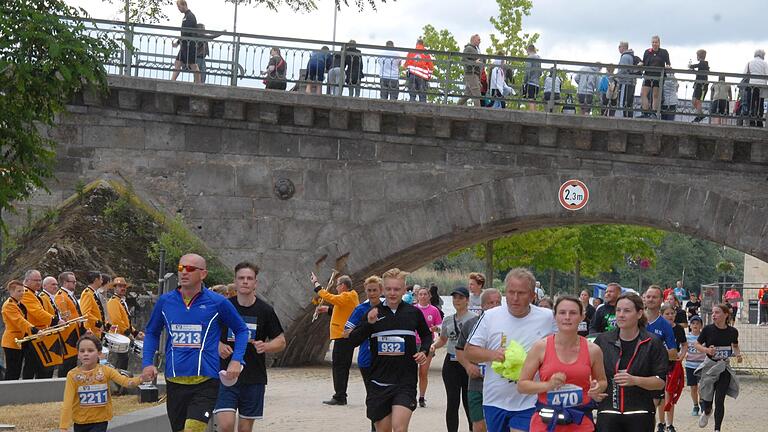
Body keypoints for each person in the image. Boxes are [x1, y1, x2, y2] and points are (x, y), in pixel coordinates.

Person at [141, 253, 249, 432]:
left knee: (192, 429)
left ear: (203, 274)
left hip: (206, 381)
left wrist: (237, 360)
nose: (184, 272)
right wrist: (147, 363)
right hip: (175, 381)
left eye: (190, 269)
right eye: (181, 268)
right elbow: (152, 332)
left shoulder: (217, 302)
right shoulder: (165, 302)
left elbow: (242, 330)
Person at [465, 268, 558, 432]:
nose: (515, 298)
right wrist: (493, 355)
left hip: (531, 401)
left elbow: (564, 348)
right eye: (511, 292)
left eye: (521, 293)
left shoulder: (547, 317)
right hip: (495, 399)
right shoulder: (490, 316)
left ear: (532, 296)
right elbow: (469, 351)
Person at [347, 268, 433, 432]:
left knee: (400, 429)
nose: (392, 293)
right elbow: (353, 340)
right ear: (382, 290)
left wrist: (423, 351)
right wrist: (368, 324)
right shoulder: (373, 313)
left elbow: (427, 336)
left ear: (404, 290)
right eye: (389, 289)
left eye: (397, 289)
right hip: (379, 382)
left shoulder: (413, 313)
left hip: (405, 382)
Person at [518, 295, 609, 432]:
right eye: (562, 313)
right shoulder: (540, 347)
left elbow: (602, 381)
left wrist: (597, 388)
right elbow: (522, 385)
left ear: (582, 316)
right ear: (555, 316)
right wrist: (548, 385)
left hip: (580, 420)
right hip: (546, 422)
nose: (567, 317)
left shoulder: (593, 350)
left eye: (573, 313)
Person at [214, 262, 285, 432]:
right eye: (241, 278)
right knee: (226, 425)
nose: (245, 281)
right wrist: (218, 345)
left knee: (245, 429)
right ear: (235, 281)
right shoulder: (223, 307)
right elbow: (207, 333)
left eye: (249, 278)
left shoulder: (265, 310)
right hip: (225, 374)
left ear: (255, 283)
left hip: (253, 376)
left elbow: (281, 341)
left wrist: (267, 346)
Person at [594, 293, 668, 432]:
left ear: (639, 313)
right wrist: (594, 388)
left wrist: (635, 380)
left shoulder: (652, 343)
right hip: (608, 411)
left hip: (640, 412)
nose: (621, 315)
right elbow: (593, 375)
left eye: (627, 311)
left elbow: (660, 382)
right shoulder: (603, 341)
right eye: (618, 310)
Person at [59, 335, 144, 432]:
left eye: (90, 351)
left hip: (100, 421)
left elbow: (126, 382)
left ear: (99, 353)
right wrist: (63, 426)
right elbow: (67, 402)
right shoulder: (72, 375)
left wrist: (142, 378)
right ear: (78, 354)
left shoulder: (107, 371)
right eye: (82, 351)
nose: (85, 354)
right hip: (80, 422)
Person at [431, 287, 477, 432]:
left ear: (467, 300)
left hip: (467, 363)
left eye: (461, 297)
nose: (457, 300)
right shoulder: (448, 319)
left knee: (468, 402)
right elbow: (443, 340)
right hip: (451, 363)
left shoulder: (474, 319)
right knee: (452, 402)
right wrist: (433, 346)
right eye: (455, 297)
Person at [456, 288, 502, 432]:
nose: (495, 306)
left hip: (500, 385)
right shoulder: (471, 324)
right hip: (476, 384)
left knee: (497, 425)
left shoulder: (508, 325)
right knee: (479, 424)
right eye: (490, 303)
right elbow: (459, 349)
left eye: (498, 302)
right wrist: (468, 366)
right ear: (482, 306)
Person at [311, 273, 359, 405]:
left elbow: (330, 298)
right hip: (344, 337)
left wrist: (317, 286)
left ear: (343, 286)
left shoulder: (347, 295)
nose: (336, 288)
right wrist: (327, 310)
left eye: (337, 285)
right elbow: (343, 311)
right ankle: (340, 394)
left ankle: (339, 396)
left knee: (339, 367)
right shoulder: (350, 296)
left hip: (342, 337)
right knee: (341, 367)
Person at [344, 276, 384, 432]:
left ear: (381, 290)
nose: (372, 293)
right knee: (373, 395)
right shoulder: (360, 309)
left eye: (375, 290)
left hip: (385, 359)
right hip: (367, 360)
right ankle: (374, 427)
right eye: (369, 290)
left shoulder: (387, 308)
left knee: (385, 395)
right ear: (365, 291)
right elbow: (346, 332)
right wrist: (363, 329)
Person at [694, 304, 742, 431]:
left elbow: (735, 345)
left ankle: (717, 429)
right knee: (707, 397)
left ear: (726, 314)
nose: (713, 315)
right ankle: (707, 411)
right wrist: (706, 350)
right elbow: (697, 344)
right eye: (713, 313)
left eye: (717, 312)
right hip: (710, 367)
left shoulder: (732, 331)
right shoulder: (708, 330)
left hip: (723, 367)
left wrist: (738, 355)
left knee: (720, 400)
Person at [643, 286, 679, 432]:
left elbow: (673, 353)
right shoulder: (636, 320)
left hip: (655, 373)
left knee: (650, 410)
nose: (650, 299)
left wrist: (655, 352)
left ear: (661, 301)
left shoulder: (665, 325)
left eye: (654, 297)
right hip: (635, 371)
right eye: (648, 296)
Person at [20, 269, 58, 379]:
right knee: (31, 366)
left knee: (40, 366)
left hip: (40, 333)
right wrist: (54, 320)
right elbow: (37, 312)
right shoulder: (26, 293)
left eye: (40, 280)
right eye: (36, 280)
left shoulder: (34, 293)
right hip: (33, 334)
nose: (38, 283)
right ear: (27, 280)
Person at [413, 286, 442, 408]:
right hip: (413, 342)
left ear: (429, 296)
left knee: (423, 372)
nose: (423, 296)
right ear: (417, 296)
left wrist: (436, 328)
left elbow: (440, 325)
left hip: (427, 343)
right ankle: (410, 395)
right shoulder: (412, 309)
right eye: (421, 294)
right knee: (411, 372)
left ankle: (422, 397)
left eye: (425, 294)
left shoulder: (434, 310)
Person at [106, 277, 144, 372]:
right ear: (114, 288)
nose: (123, 288)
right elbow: (117, 321)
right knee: (122, 360)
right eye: (120, 286)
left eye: (124, 286)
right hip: (118, 337)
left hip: (122, 336)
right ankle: (118, 381)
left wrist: (135, 332)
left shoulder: (121, 301)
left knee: (124, 359)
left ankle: (119, 380)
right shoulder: (113, 302)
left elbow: (125, 321)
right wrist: (128, 333)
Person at [2, 280, 38, 380]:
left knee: (21, 369)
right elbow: (19, 321)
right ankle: (8, 393)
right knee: (12, 371)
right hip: (12, 342)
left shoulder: (19, 304)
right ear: (11, 292)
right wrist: (34, 329)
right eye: (19, 291)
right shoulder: (9, 305)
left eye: (23, 291)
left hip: (22, 339)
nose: (22, 293)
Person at [660, 304, 687, 432]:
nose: (670, 316)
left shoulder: (678, 329)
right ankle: (661, 422)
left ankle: (670, 424)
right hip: (659, 364)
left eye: (672, 313)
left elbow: (684, 345)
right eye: (667, 314)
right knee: (660, 396)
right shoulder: (657, 328)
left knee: (670, 393)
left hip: (672, 364)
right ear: (662, 315)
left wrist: (681, 356)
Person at [56, 271, 87, 377]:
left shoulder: (69, 295)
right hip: (68, 336)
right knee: (67, 364)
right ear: (65, 283)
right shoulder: (61, 297)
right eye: (72, 282)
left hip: (75, 333)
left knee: (72, 363)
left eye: (75, 281)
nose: (75, 283)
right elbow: (65, 317)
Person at [170, 0, 201, 84]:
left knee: (193, 65)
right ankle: (172, 82)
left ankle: (198, 84)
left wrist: (178, 42)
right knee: (177, 62)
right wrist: (178, 42)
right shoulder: (186, 16)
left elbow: (186, 32)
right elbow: (184, 33)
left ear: (184, 5)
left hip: (189, 45)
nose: (178, 9)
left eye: (179, 6)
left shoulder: (190, 16)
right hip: (185, 45)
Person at [639, 36, 671, 118]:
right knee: (643, 94)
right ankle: (645, 113)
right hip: (648, 75)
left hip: (659, 76)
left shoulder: (664, 52)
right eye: (653, 42)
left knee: (655, 95)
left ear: (659, 43)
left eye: (656, 42)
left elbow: (668, 63)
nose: (654, 44)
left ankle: (654, 113)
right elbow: (644, 62)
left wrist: (668, 66)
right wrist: (641, 64)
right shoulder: (647, 52)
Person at [683, 315, 705, 417]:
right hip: (690, 365)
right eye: (693, 323)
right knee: (693, 387)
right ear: (690, 325)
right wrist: (684, 353)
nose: (695, 325)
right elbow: (682, 348)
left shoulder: (704, 337)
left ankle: (702, 403)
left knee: (701, 387)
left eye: (697, 323)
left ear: (701, 325)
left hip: (702, 365)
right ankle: (695, 405)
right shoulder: (686, 337)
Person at [743, 49, 768, 127]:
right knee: (760, 104)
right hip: (762, 86)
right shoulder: (765, 63)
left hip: (752, 85)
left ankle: (752, 120)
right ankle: (759, 121)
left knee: (751, 104)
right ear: (762, 55)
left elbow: (744, 74)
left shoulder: (749, 62)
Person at [80, 271, 107, 340]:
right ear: (96, 280)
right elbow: (85, 313)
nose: (102, 281)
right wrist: (98, 323)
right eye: (101, 279)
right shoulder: (87, 294)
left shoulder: (93, 293)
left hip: (96, 331)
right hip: (91, 331)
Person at [404, 38, 433, 103]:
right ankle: (422, 111)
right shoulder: (426, 53)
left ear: (416, 44)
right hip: (422, 77)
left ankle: (410, 110)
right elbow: (431, 67)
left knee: (412, 96)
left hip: (412, 75)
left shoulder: (411, 51)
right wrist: (429, 76)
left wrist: (407, 74)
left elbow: (406, 64)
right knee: (422, 97)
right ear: (423, 44)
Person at [617, 41, 640, 118]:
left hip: (625, 82)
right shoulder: (631, 56)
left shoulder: (625, 57)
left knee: (623, 102)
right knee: (629, 103)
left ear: (623, 47)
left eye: (619, 46)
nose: (618, 48)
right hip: (632, 82)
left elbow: (622, 71)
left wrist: (615, 77)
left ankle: (623, 119)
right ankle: (629, 118)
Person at [458, 34, 483, 106]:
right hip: (471, 74)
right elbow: (463, 60)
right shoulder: (468, 48)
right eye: (478, 40)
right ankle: (478, 113)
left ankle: (455, 108)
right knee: (477, 94)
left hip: (474, 74)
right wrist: (474, 62)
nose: (480, 41)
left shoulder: (475, 49)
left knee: (467, 95)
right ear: (473, 40)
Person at [688, 49, 710, 122]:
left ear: (698, 56)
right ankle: (701, 115)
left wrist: (691, 66)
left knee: (698, 101)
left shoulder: (703, 63)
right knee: (693, 101)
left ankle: (699, 116)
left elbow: (697, 65)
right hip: (698, 85)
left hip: (702, 86)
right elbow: (700, 72)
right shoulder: (703, 64)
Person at [523, 44, 542, 111]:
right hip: (537, 83)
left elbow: (527, 71)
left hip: (530, 82)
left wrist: (524, 82)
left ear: (528, 50)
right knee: (534, 100)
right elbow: (540, 72)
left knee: (530, 100)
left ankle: (532, 115)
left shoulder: (529, 57)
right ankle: (535, 114)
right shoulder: (539, 58)